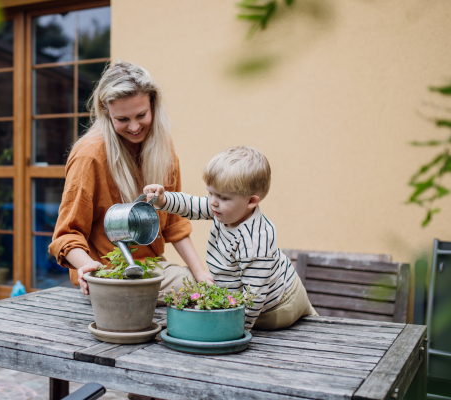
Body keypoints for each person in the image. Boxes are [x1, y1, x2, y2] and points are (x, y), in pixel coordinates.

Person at [49, 61, 213, 297]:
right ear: (106, 111)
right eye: (123, 119)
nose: (135, 127)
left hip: (151, 268)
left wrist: (201, 273)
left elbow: (174, 224)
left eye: (141, 115)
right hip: (108, 275)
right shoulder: (89, 156)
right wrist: (86, 268)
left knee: (206, 283)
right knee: (194, 290)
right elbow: (66, 234)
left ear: (153, 105)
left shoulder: (162, 149)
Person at [143, 146, 318, 330]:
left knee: (315, 324)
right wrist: (163, 201)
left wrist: (236, 329)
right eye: (210, 192)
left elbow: (255, 296)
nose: (212, 201)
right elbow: (192, 205)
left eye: (223, 197)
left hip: (278, 306)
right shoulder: (224, 209)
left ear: (251, 201)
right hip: (262, 295)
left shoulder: (254, 242)